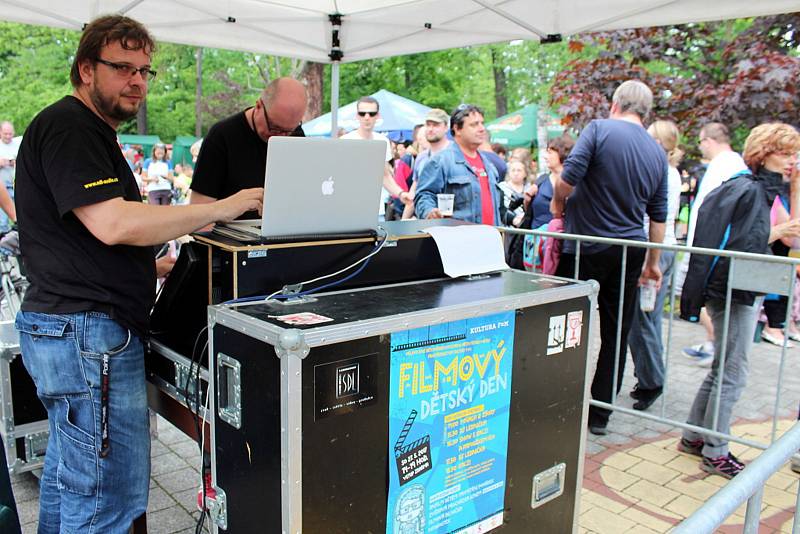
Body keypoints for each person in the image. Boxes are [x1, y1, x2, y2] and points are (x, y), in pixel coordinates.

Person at [13, 15, 263, 532]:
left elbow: (78, 238)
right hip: (87, 337)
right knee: (107, 498)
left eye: (145, 71)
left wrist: (153, 267)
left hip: (73, 330)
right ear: (86, 69)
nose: (138, 82)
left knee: (69, 482)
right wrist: (221, 207)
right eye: (123, 68)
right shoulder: (69, 126)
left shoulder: (87, 131)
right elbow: (112, 222)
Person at [679, 123, 800, 478]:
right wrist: (775, 232)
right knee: (732, 371)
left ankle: (695, 436)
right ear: (766, 153)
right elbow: (746, 243)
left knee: (724, 368)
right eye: (786, 152)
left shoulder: (756, 189)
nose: (792, 159)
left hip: (734, 288)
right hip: (732, 289)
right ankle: (715, 450)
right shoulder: (749, 190)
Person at [550, 80, 668, 436]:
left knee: (566, 326)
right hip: (629, 251)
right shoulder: (657, 151)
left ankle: (557, 400)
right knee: (616, 333)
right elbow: (658, 216)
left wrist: (558, 204)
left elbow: (568, 180)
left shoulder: (599, 129)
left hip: (584, 246)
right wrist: (653, 262)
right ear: (645, 113)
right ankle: (600, 414)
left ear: (615, 104)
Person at [627, 120, 684, 411]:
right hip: (665, 248)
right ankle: (649, 375)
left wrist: (650, 259)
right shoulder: (670, 173)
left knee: (641, 318)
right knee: (649, 317)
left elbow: (655, 217)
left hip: (656, 249)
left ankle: (651, 380)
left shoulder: (663, 173)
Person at [190, 76, 307, 215]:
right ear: (258, 106)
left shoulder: (297, 135)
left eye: (288, 131)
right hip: (229, 233)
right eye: (274, 128)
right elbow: (199, 208)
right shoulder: (222, 136)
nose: (280, 137)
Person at [680, 123, 747, 365]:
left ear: (709, 140)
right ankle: (714, 342)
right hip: (709, 245)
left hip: (710, 247)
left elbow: (708, 210)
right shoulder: (732, 164)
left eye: (700, 142)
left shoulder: (725, 166)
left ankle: (716, 343)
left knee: (699, 297)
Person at [414, 104, 503, 224]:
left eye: (482, 123)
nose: (482, 128)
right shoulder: (440, 161)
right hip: (458, 239)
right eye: (474, 124)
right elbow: (424, 195)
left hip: (490, 238)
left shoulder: (488, 164)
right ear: (457, 129)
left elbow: (497, 207)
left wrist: (514, 218)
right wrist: (429, 211)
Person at [341, 96, 412, 219]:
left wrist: (400, 194)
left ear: (377, 116)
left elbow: (384, 176)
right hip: (348, 209)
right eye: (362, 113)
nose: (367, 117)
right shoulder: (345, 141)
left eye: (371, 113)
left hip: (375, 209)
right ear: (357, 116)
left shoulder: (382, 140)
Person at [401, 109, 451, 219]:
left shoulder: (455, 154)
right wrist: (404, 220)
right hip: (426, 220)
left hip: (451, 221)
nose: (431, 129)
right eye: (428, 125)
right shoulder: (422, 157)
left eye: (436, 125)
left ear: (446, 127)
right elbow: (414, 192)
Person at [0, 122, 19, 231]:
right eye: (5, 133)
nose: (8, 136)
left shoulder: (18, 144)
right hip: (3, 186)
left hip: (16, 186)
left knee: (22, 217)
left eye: (10, 134)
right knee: (3, 221)